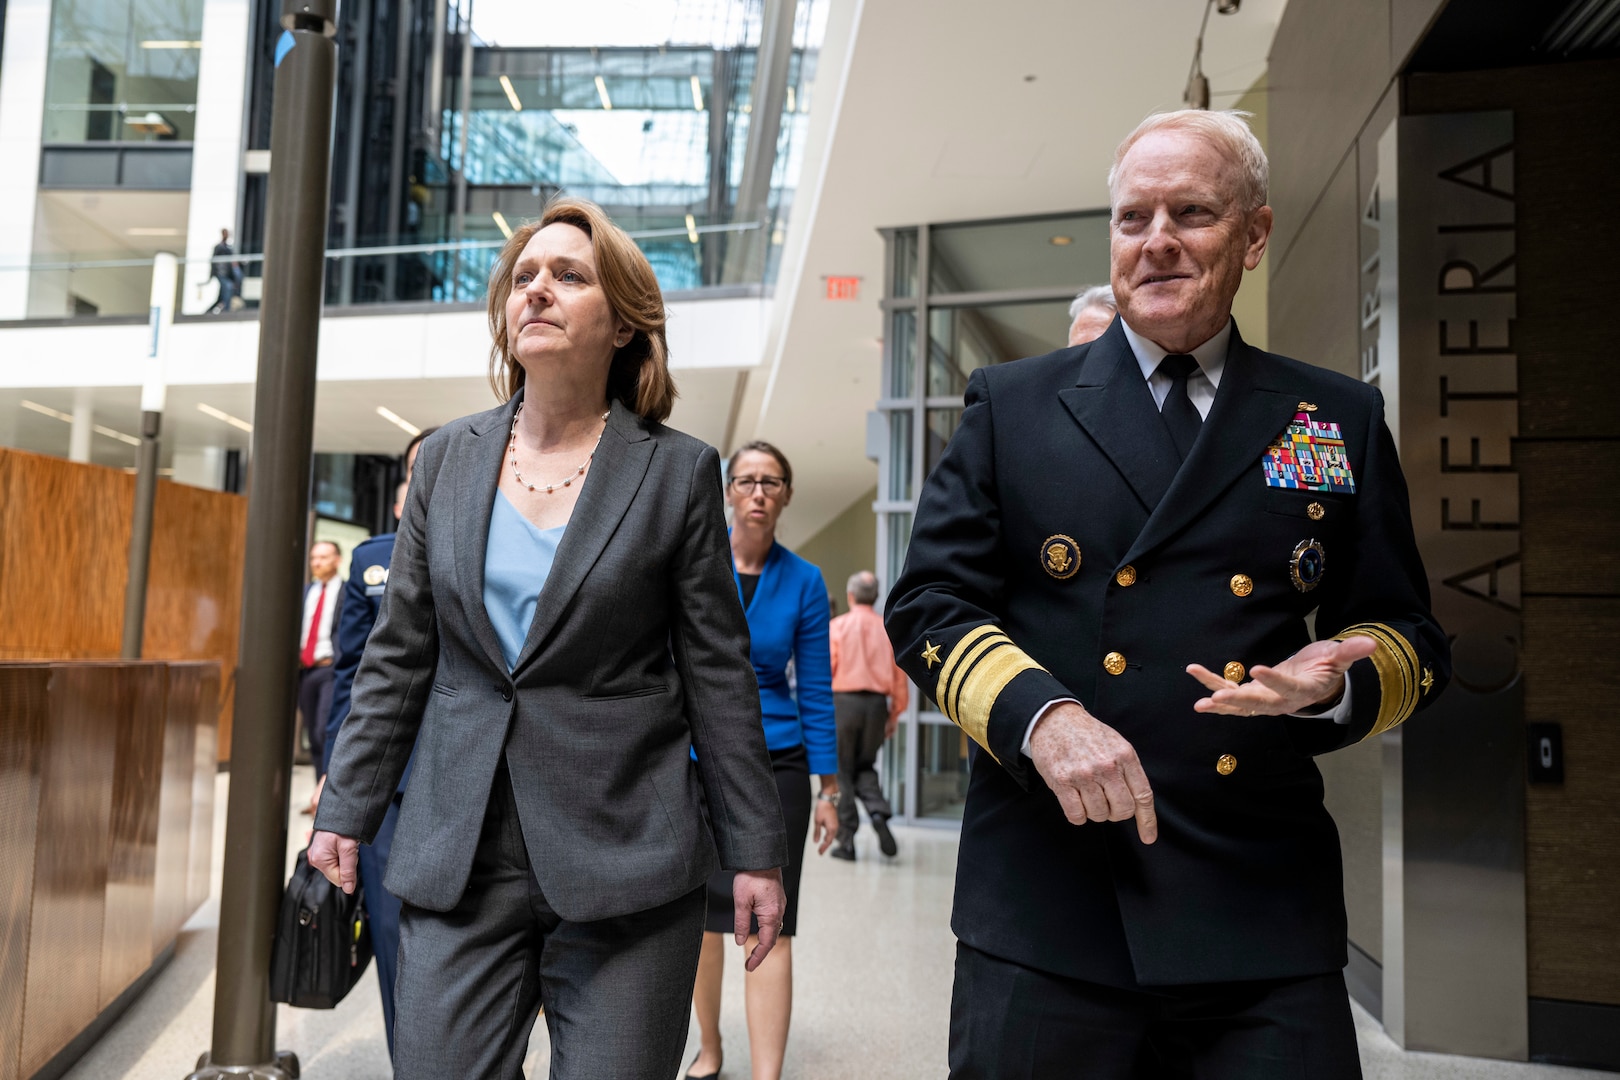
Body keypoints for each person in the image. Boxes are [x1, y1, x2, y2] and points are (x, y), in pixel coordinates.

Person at [885, 109, 1450, 1079]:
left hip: (1261, 911)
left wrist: (1337, 687)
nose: (1157, 242)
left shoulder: (1334, 416)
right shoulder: (1013, 405)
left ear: (1256, 236)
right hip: (1051, 909)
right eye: (1133, 217)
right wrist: (1042, 716)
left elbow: (1410, 635)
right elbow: (929, 603)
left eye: (1191, 212)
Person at [309, 196, 789, 1080]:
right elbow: (401, 652)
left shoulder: (676, 470)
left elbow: (717, 678)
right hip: (461, 847)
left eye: (569, 276)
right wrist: (347, 805)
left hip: (626, 855)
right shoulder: (450, 458)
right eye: (524, 276)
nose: (538, 290)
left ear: (623, 322)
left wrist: (756, 853)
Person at [686, 440, 838, 1080]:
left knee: (768, 920)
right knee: (701, 921)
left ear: (786, 495)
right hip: (694, 760)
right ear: (727, 491)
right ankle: (711, 1050)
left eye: (770, 482)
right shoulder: (694, 559)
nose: (757, 493)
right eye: (745, 480)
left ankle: (765, 1076)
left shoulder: (803, 580)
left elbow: (817, 691)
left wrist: (829, 787)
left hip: (776, 766)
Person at [314, 425, 438, 1062]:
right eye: (421, 469)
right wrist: (337, 771)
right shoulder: (371, 560)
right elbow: (352, 677)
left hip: (473, 776)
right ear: (400, 492)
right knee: (391, 930)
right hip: (391, 780)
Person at [828, 569, 908, 860]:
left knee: (842, 770)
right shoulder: (887, 630)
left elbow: (827, 671)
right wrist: (894, 714)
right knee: (865, 765)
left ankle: (846, 841)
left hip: (844, 704)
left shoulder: (836, 627)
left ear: (850, 596)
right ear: (875, 598)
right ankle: (878, 813)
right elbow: (899, 677)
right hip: (876, 706)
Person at [296, 540, 343, 788]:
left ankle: (327, 793)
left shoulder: (345, 591)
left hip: (330, 670)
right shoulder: (306, 592)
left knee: (324, 731)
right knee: (313, 734)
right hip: (306, 671)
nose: (317, 562)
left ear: (337, 560)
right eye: (314, 557)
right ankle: (318, 791)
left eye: (323, 557)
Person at [208, 228, 240, 313]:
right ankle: (226, 310)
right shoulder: (220, 247)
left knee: (222, 295)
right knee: (227, 288)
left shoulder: (228, 247)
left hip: (226, 274)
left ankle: (209, 311)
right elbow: (214, 261)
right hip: (220, 273)